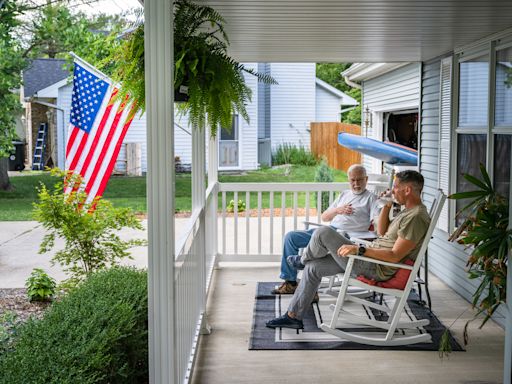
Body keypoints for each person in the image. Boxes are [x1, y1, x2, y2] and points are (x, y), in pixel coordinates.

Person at [266, 170, 430, 330]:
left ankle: (301, 260)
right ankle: (293, 316)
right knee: (313, 267)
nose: (392, 190)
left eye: (395, 187)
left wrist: (359, 250)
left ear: (407, 190)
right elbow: (381, 233)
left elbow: (394, 256)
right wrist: (387, 205)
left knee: (323, 232)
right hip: (369, 259)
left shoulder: (416, 217)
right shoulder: (407, 212)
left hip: (375, 266)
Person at [271, 164, 380, 295]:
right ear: (348, 180)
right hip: (328, 229)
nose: (356, 183)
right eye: (353, 180)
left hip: (344, 237)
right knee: (291, 237)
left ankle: (307, 276)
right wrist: (338, 210)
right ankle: (291, 283)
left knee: (318, 246)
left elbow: (377, 222)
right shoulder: (344, 195)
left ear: (366, 179)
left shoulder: (371, 198)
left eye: (360, 179)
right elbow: (324, 217)